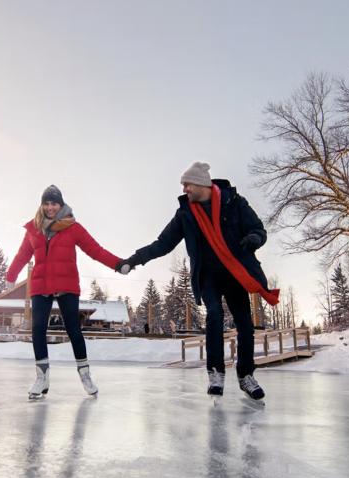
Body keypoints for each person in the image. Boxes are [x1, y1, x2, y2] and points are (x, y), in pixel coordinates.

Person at [116, 162, 279, 400]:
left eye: (187, 184)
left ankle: (245, 376)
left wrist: (254, 238)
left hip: (235, 271)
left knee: (245, 323)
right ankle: (216, 373)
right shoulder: (186, 213)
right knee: (214, 314)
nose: (184, 190)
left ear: (201, 183)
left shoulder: (235, 203)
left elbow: (258, 229)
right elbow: (162, 243)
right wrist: (133, 260)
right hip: (208, 274)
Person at [6, 185, 126, 400]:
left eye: (54, 203)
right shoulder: (34, 229)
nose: (50, 207)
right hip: (40, 285)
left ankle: (85, 375)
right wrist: (10, 276)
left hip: (67, 283)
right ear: (42, 205)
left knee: (73, 330)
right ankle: (42, 378)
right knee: (38, 329)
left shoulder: (73, 227)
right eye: (46, 203)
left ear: (61, 205)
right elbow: (22, 255)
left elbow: (95, 250)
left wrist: (117, 264)